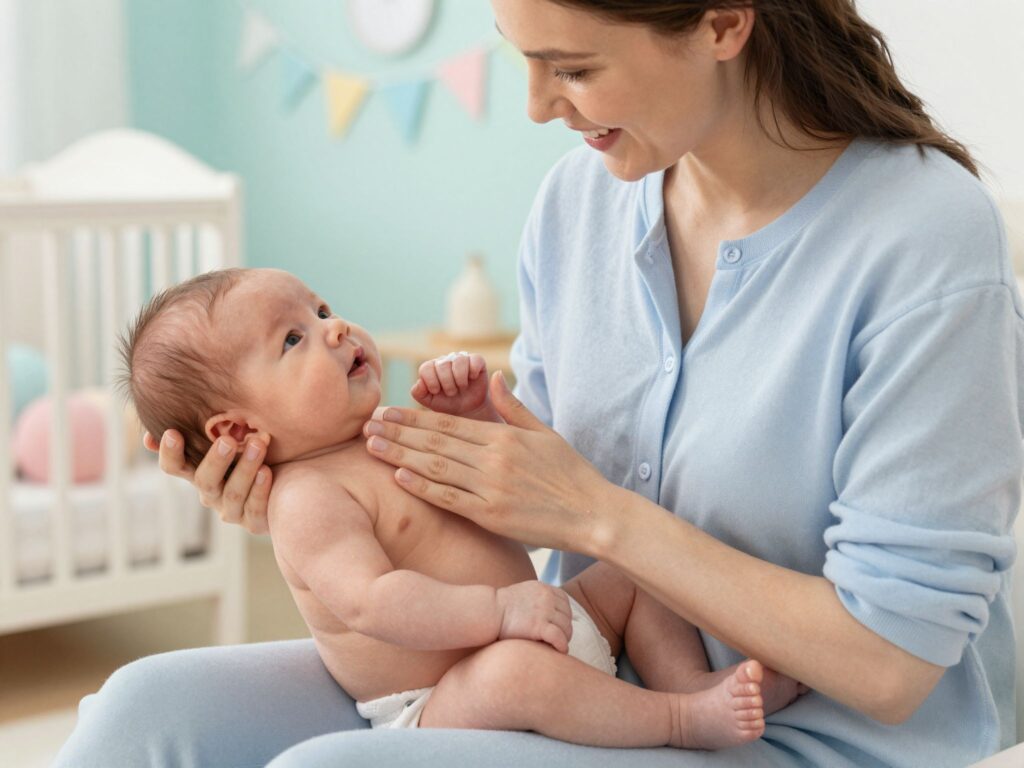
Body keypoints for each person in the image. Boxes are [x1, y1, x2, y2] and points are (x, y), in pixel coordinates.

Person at [55, 1, 1021, 766]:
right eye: (519, 56)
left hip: (807, 728)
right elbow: (514, 513)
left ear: (725, 23)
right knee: (142, 714)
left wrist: (600, 518)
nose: (536, 105)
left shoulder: (922, 240)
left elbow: (896, 667)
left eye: (573, 67)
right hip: (560, 662)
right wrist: (311, 495)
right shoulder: (578, 204)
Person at [115, 265, 801, 750]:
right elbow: (374, 602)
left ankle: (695, 682)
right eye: (291, 339)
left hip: (550, 625)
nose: (333, 328)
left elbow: (502, 499)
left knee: (635, 568)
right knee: (513, 672)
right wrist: (497, 614)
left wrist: (473, 420)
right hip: (448, 700)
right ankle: (679, 721)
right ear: (237, 433)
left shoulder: (386, 430)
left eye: (320, 310)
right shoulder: (307, 501)